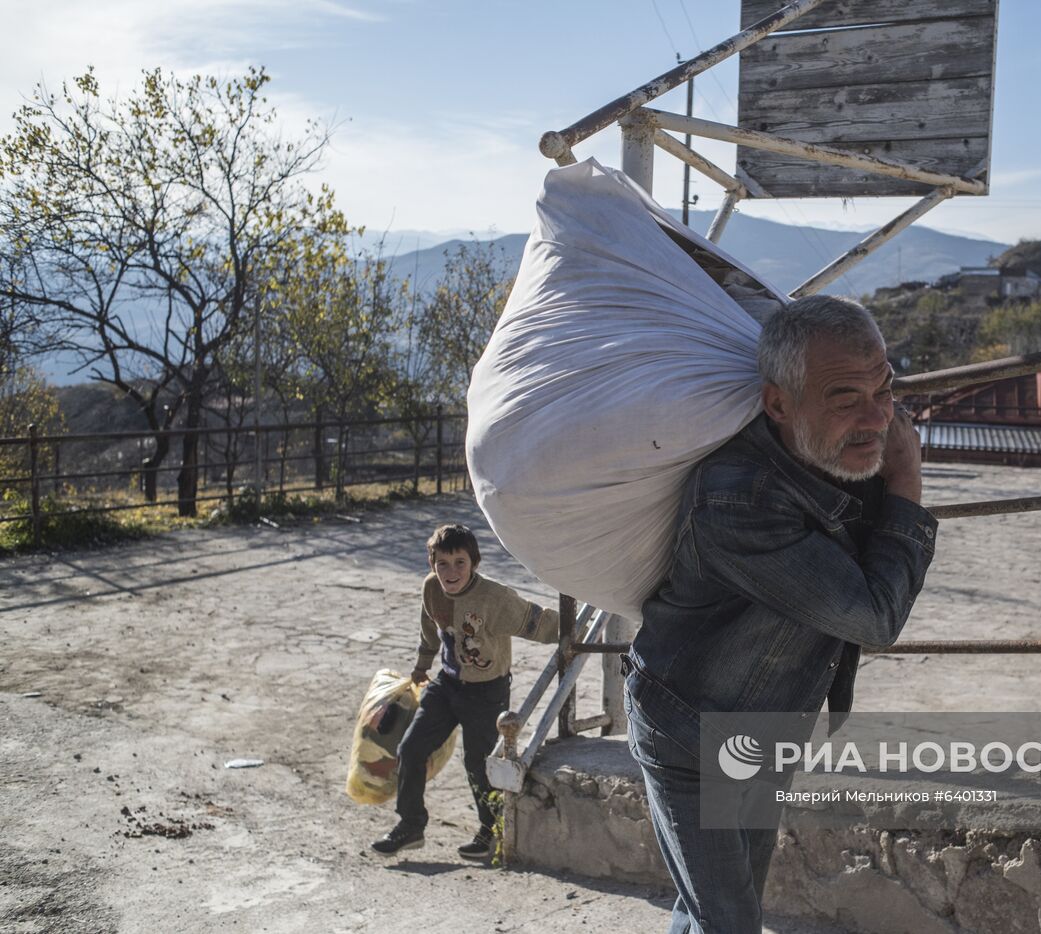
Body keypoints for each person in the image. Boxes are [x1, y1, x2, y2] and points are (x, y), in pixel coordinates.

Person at [624, 295, 937, 931]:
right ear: (778, 404)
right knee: (730, 921)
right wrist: (905, 489)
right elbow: (874, 616)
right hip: (688, 735)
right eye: (845, 399)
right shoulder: (740, 503)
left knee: (710, 908)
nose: (877, 419)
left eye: (884, 390)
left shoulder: (828, 454)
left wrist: (872, 461)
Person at [371, 523, 560, 858]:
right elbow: (429, 628)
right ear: (432, 565)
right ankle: (411, 825)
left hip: (487, 693)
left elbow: (538, 621)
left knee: (478, 763)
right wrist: (420, 666)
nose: (451, 571)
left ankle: (491, 833)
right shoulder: (431, 589)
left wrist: (579, 630)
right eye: (442, 563)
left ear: (474, 562)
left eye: (460, 562)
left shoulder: (495, 598)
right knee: (411, 749)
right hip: (446, 684)